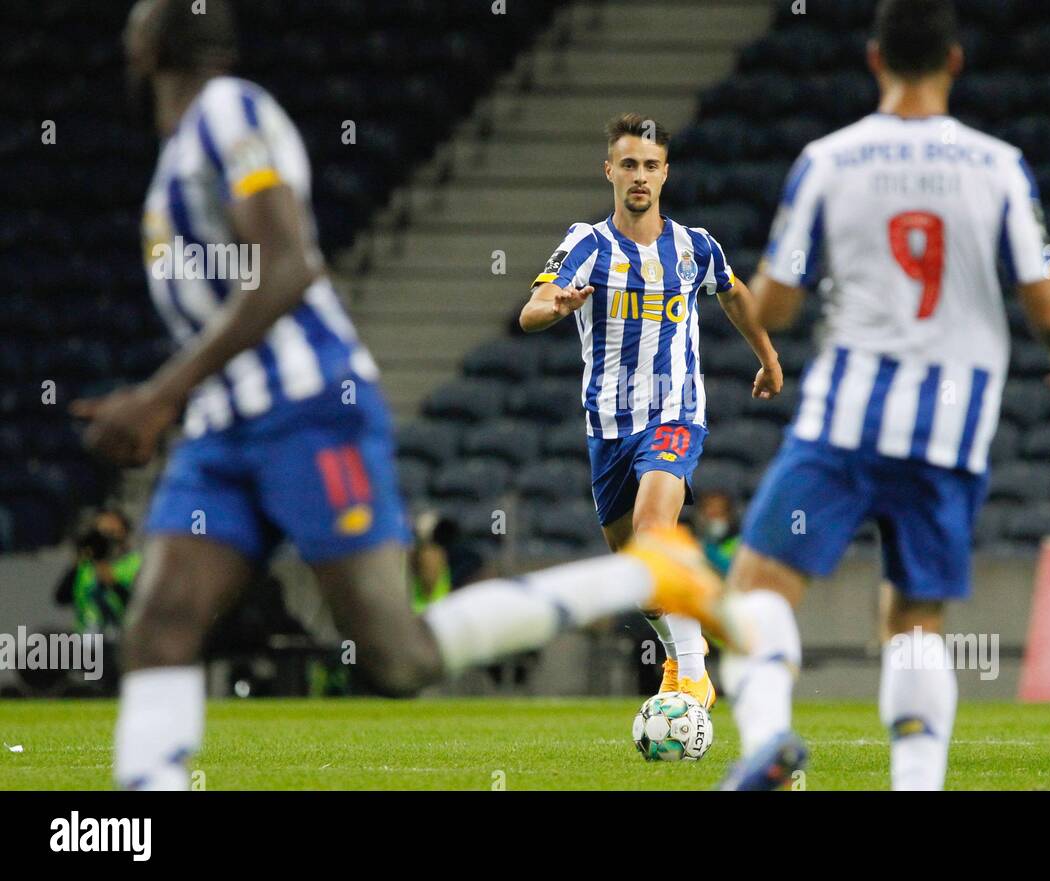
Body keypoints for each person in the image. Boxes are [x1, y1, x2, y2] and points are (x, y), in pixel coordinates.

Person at [71, 0, 734, 791]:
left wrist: (158, 395)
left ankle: (639, 576)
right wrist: (179, 397)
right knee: (158, 624)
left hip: (304, 409)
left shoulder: (230, 115)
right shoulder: (180, 150)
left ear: (155, 44)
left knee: (395, 657)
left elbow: (287, 268)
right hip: (221, 424)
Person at [716, 0, 1050, 790]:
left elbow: (775, 303)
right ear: (954, 61)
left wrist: (754, 305)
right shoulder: (997, 165)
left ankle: (770, 738)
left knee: (756, 589)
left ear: (874, 59)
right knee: (916, 621)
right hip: (952, 429)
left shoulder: (829, 160)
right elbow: (1045, 299)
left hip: (845, 419)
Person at [519, 113, 784, 710]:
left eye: (651, 166)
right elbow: (532, 309)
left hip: (674, 413)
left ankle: (693, 674)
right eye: (629, 165)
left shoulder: (695, 246)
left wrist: (768, 357)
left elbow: (734, 293)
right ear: (609, 171)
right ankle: (679, 656)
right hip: (607, 426)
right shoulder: (586, 243)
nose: (640, 176)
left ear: (665, 174)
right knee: (638, 574)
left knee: (652, 532)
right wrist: (555, 307)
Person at [54, 508, 140, 635]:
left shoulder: (136, 562)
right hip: (84, 635)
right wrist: (76, 564)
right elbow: (61, 598)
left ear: (124, 533)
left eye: (112, 532)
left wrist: (113, 584)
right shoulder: (85, 564)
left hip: (121, 636)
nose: (106, 537)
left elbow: (140, 604)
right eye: (101, 532)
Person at [693, 490, 740, 575]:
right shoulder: (689, 542)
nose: (715, 521)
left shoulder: (739, 543)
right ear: (700, 516)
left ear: (729, 516)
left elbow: (733, 571)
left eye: (720, 514)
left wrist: (709, 551)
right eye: (712, 515)